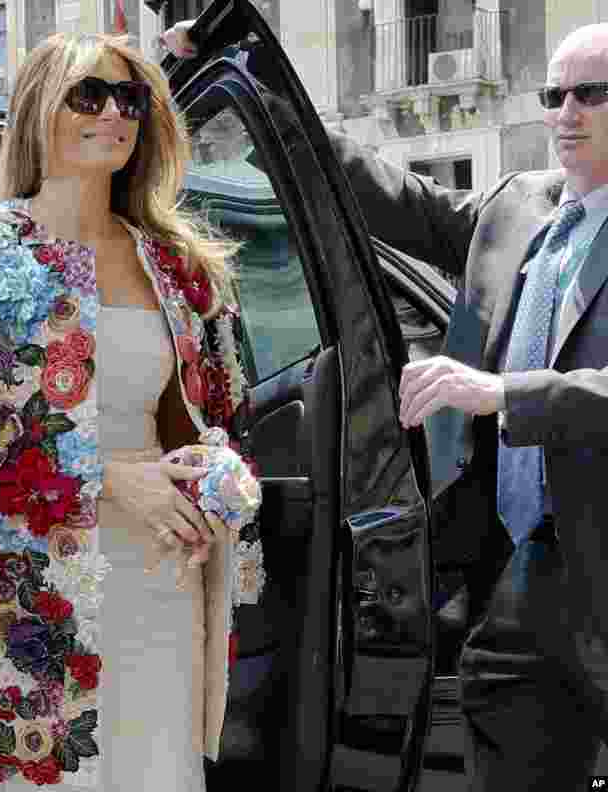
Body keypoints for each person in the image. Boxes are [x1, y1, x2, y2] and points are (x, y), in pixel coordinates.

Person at [163, 18, 608, 792]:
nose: (566, 111)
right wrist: (262, 93)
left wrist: (507, 392)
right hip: (519, 578)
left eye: (592, 93)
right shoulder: (516, 210)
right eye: (554, 93)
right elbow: (385, 196)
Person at [0, 32, 265, 790]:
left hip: (163, 571)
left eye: (132, 99)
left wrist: (215, 472)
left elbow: (220, 417)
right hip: (33, 589)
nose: (115, 113)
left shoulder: (177, 263)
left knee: (156, 768)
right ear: (38, 110)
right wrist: (104, 478)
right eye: (90, 94)